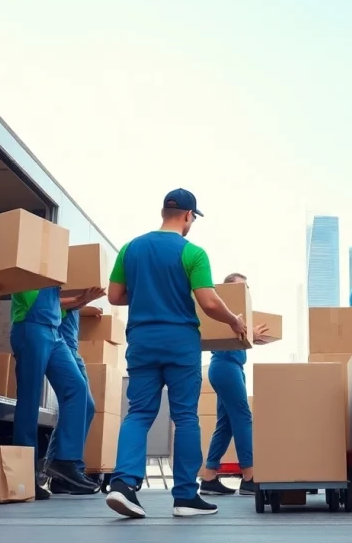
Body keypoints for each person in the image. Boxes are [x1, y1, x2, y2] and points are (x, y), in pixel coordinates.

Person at [104, 188, 247, 519]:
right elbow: (209, 302)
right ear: (188, 216)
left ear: (163, 213)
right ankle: (185, 496)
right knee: (184, 417)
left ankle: (123, 484)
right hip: (179, 342)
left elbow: (114, 296)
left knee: (139, 412)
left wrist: (146, 294)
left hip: (141, 340)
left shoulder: (130, 248)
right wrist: (234, 321)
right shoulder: (193, 253)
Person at [11, 284, 105, 500]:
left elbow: (58, 305)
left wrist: (83, 299)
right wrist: (80, 299)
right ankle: (26, 474)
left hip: (54, 331)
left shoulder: (57, 276)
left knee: (77, 389)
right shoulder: (32, 270)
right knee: (29, 400)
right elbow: (33, 299)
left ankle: (64, 461)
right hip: (31, 326)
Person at [198, 272, 270, 497]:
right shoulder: (224, 312)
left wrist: (252, 337)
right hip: (226, 367)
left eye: (247, 288)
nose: (245, 291)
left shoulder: (238, 315)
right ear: (228, 290)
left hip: (231, 368)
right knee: (243, 418)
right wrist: (251, 334)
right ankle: (249, 477)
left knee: (226, 424)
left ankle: (209, 477)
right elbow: (229, 337)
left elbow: (238, 339)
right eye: (241, 287)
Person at [45, 293, 106, 496]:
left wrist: (85, 305)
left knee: (86, 406)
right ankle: (64, 462)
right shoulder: (59, 283)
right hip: (60, 340)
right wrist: (80, 300)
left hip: (71, 345)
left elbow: (69, 306)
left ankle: (62, 475)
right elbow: (47, 303)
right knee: (78, 398)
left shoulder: (74, 286)